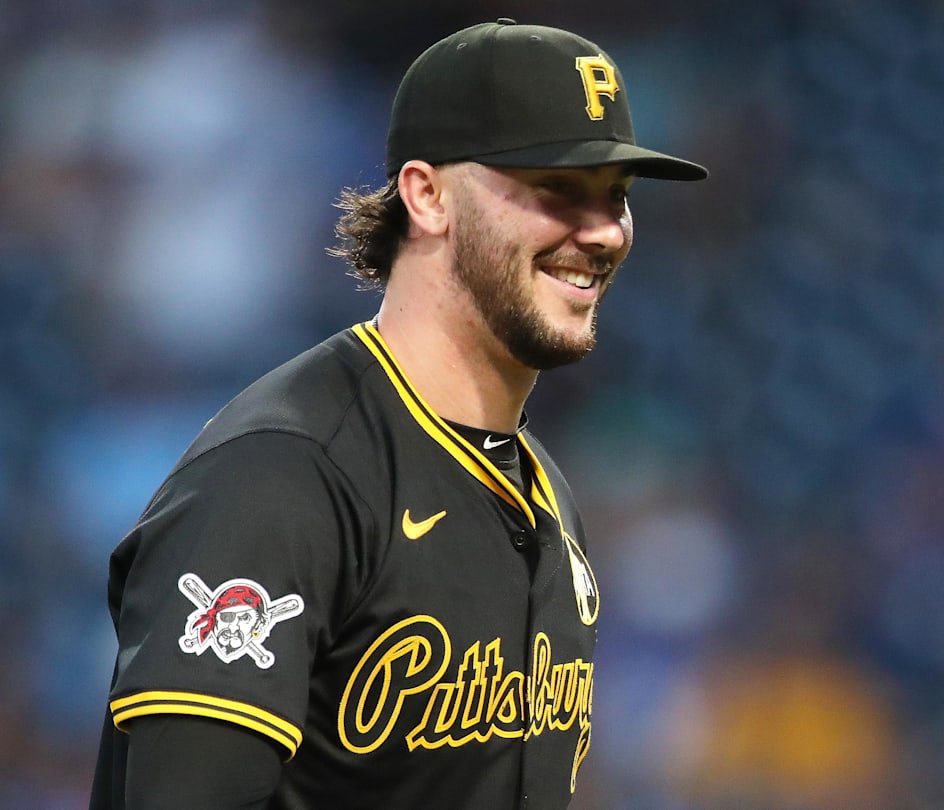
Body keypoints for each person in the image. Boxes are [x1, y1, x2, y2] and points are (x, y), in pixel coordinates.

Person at [88, 18, 705, 809]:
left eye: (614, 197)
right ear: (426, 194)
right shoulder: (286, 474)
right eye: (557, 189)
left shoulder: (545, 492)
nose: (600, 231)